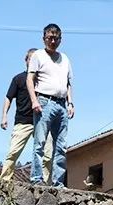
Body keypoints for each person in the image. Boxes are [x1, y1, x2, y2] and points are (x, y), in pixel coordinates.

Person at [26, 23, 74, 187]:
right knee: (40, 143)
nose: (53, 41)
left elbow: (68, 83)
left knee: (61, 146)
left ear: (61, 39)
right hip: (44, 101)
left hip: (61, 104)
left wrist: (71, 103)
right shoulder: (37, 56)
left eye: (56, 38)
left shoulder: (65, 58)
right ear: (44, 38)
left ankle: (58, 182)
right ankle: (37, 179)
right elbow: (29, 79)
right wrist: (34, 100)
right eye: (50, 38)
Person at [0, 48, 52, 182]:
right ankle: (4, 181)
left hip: (42, 121)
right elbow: (8, 98)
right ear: (26, 61)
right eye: (31, 59)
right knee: (13, 152)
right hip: (23, 121)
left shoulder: (44, 79)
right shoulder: (18, 79)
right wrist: (4, 116)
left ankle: (44, 182)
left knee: (48, 154)